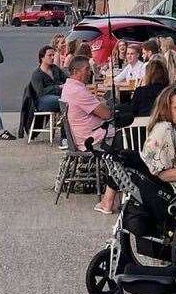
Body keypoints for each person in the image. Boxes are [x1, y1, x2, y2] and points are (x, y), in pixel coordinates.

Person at [60, 55, 118, 214]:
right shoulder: (79, 91)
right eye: (86, 69)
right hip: (91, 139)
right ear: (75, 71)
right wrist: (105, 106)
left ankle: (114, 191)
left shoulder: (69, 87)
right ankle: (116, 190)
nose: (90, 72)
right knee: (125, 137)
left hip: (82, 135)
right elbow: (106, 114)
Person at [140, 86, 176, 186]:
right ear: (165, 108)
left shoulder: (171, 127)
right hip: (169, 194)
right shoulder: (165, 130)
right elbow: (162, 174)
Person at [115, 58, 169, 126]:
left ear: (149, 74)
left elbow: (133, 109)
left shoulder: (141, 91)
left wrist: (116, 108)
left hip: (142, 128)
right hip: (164, 126)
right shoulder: (170, 91)